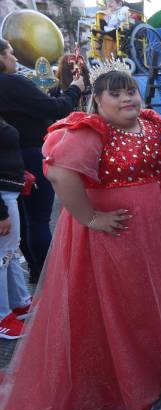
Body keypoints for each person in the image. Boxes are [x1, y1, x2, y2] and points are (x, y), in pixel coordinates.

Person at [0, 65, 161, 410]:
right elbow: (59, 172)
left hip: (159, 232)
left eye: (130, 91)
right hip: (114, 239)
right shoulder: (91, 131)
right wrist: (89, 218)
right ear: (97, 101)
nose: (126, 99)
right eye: (115, 94)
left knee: (157, 300)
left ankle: (158, 368)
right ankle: (128, 380)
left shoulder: (152, 123)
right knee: (124, 306)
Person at [0, 38, 85, 284]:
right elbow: (56, 108)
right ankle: (54, 277)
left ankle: (38, 272)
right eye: (11, 54)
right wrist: (76, 88)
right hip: (30, 156)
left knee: (26, 219)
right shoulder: (11, 83)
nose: (15, 59)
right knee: (38, 220)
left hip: (12, 160)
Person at [0, 118, 32, 340]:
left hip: (8, 193)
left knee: (9, 252)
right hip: (3, 196)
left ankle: (19, 302)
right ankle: (2, 316)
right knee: (3, 256)